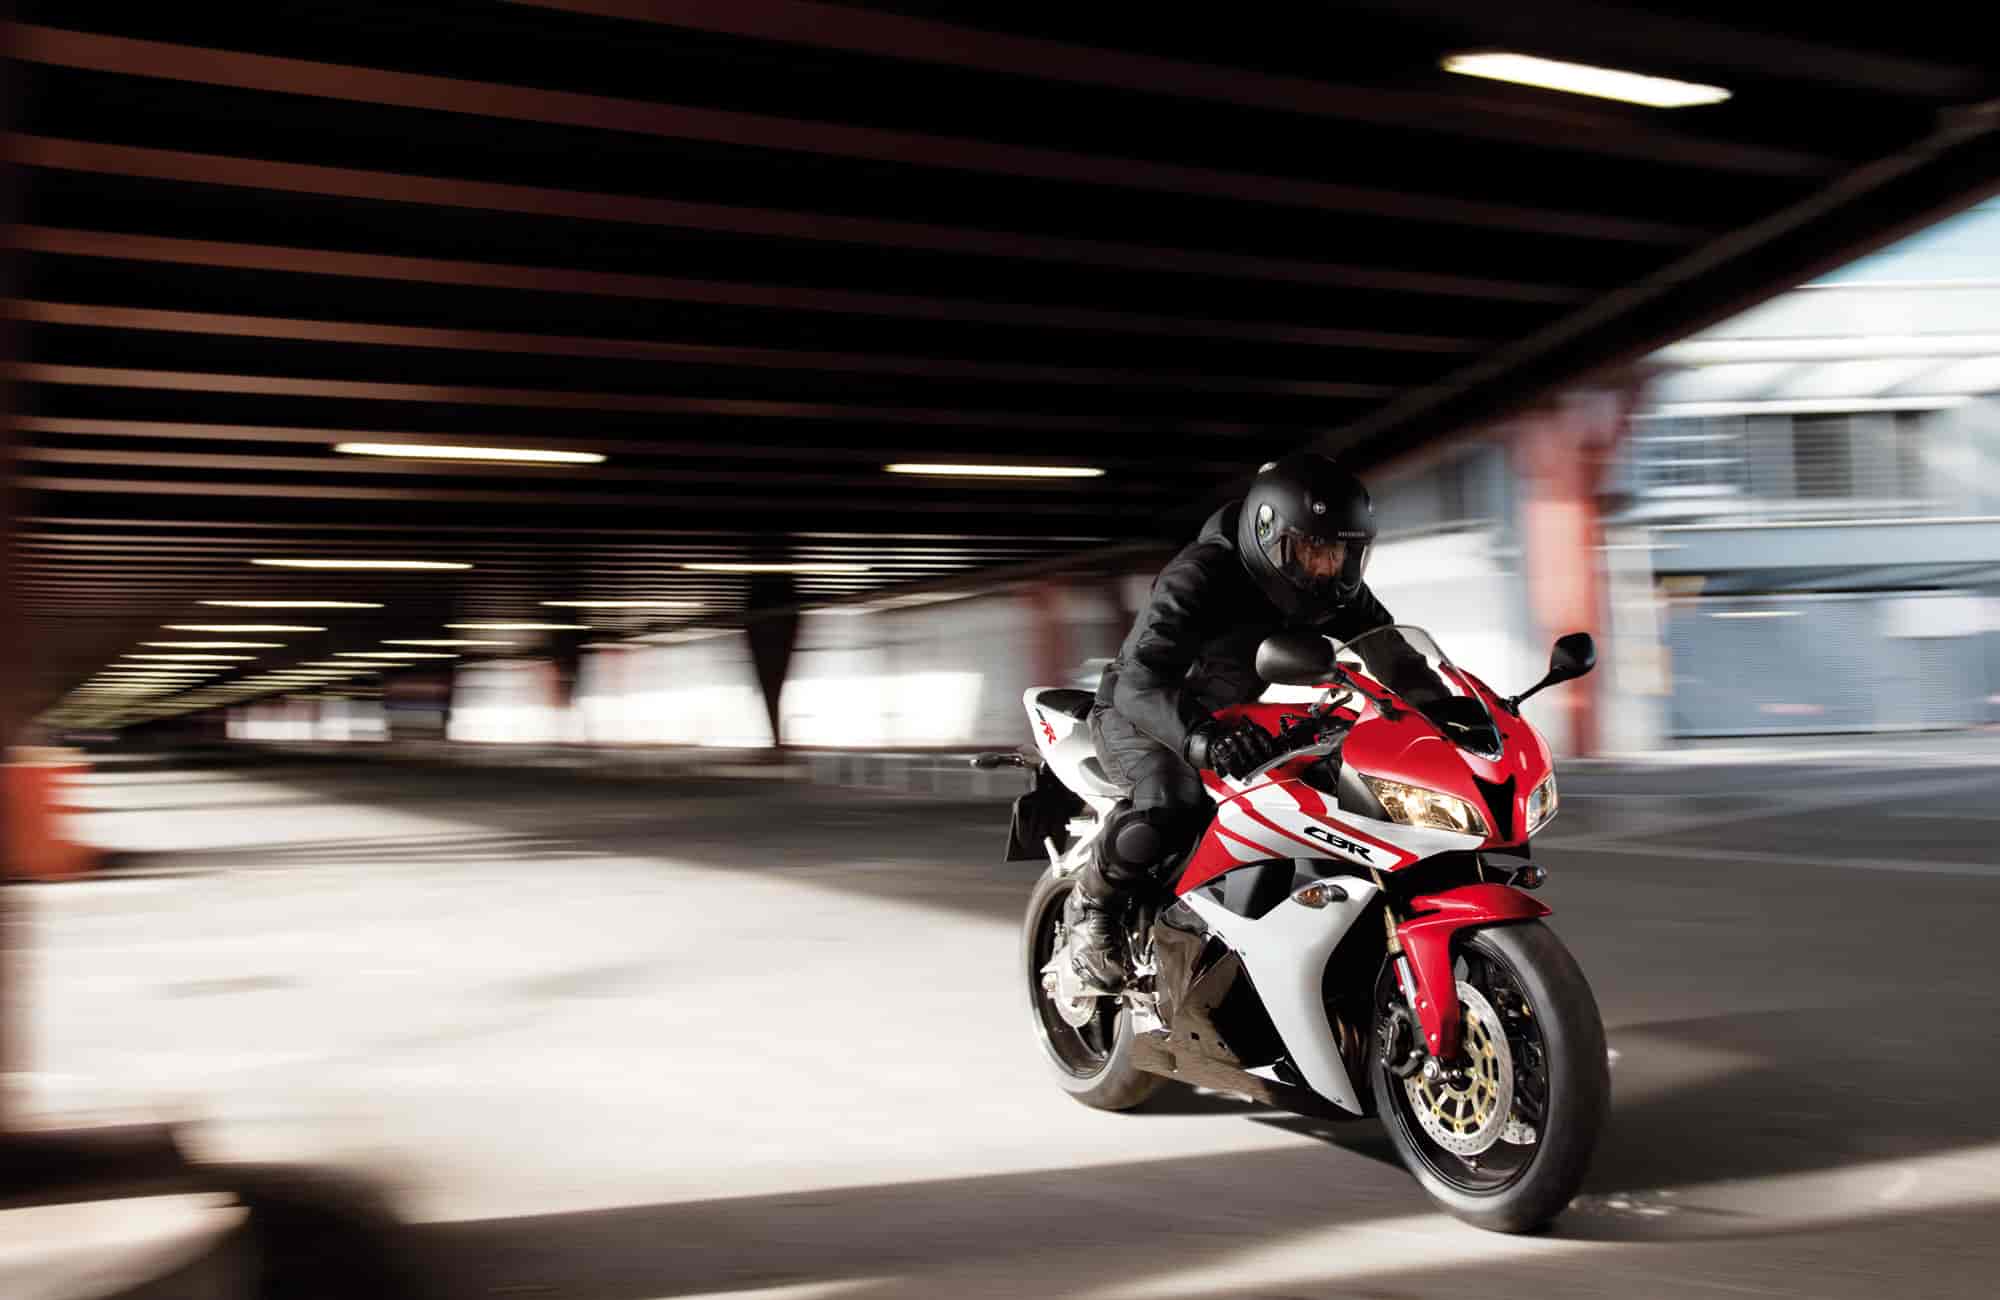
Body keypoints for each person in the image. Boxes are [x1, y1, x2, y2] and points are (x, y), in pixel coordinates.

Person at [1067, 452, 1409, 991]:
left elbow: (1397, 656)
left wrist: (1452, 708)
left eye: (1341, 552)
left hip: (1232, 718)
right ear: (1270, 535)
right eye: (1314, 549)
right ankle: (1093, 907)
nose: (1327, 566)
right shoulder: (1201, 574)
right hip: (1145, 711)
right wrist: (1199, 738)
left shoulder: (1331, 587)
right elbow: (1141, 680)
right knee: (1172, 801)